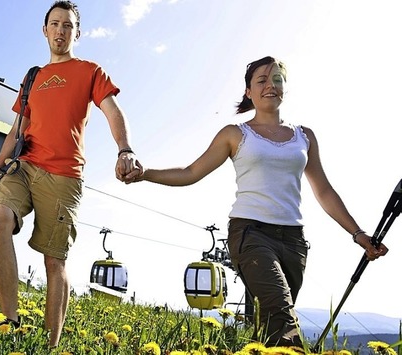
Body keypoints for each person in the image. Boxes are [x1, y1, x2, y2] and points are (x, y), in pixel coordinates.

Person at [133, 56, 388, 347]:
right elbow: (191, 172)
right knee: (282, 318)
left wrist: (358, 234)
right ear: (249, 92)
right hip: (250, 234)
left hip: (293, 242)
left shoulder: (304, 137)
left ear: (285, 88)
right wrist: (145, 174)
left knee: (266, 330)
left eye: (277, 79)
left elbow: (324, 191)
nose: (271, 85)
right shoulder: (235, 134)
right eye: (262, 80)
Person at [0, 1, 141, 348]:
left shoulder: (90, 71)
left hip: (64, 176)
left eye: (67, 25)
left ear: (77, 33)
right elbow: (16, 131)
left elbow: (113, 111)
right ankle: (9, 323)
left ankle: (49, 345)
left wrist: (124, 149)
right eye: (54, 24)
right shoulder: (33, 78)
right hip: (24, 166)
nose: (60, 30)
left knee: (54, 261)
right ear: (44, 31)